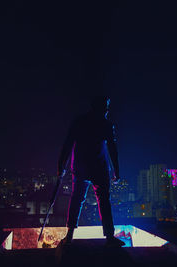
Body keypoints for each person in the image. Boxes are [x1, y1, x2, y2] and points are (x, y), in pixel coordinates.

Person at [57, 95, 125, 247]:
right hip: (99, 169)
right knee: (103, 202)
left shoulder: (79, 121)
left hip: (81, 167)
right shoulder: (105, 124)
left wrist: (61, 164)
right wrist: (116, 171)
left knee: (77, 200)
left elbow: (68, 143)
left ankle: (69, 235)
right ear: (99, 106)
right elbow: (113, 149)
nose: (107, 109)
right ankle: (109, 237)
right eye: (106, 106)